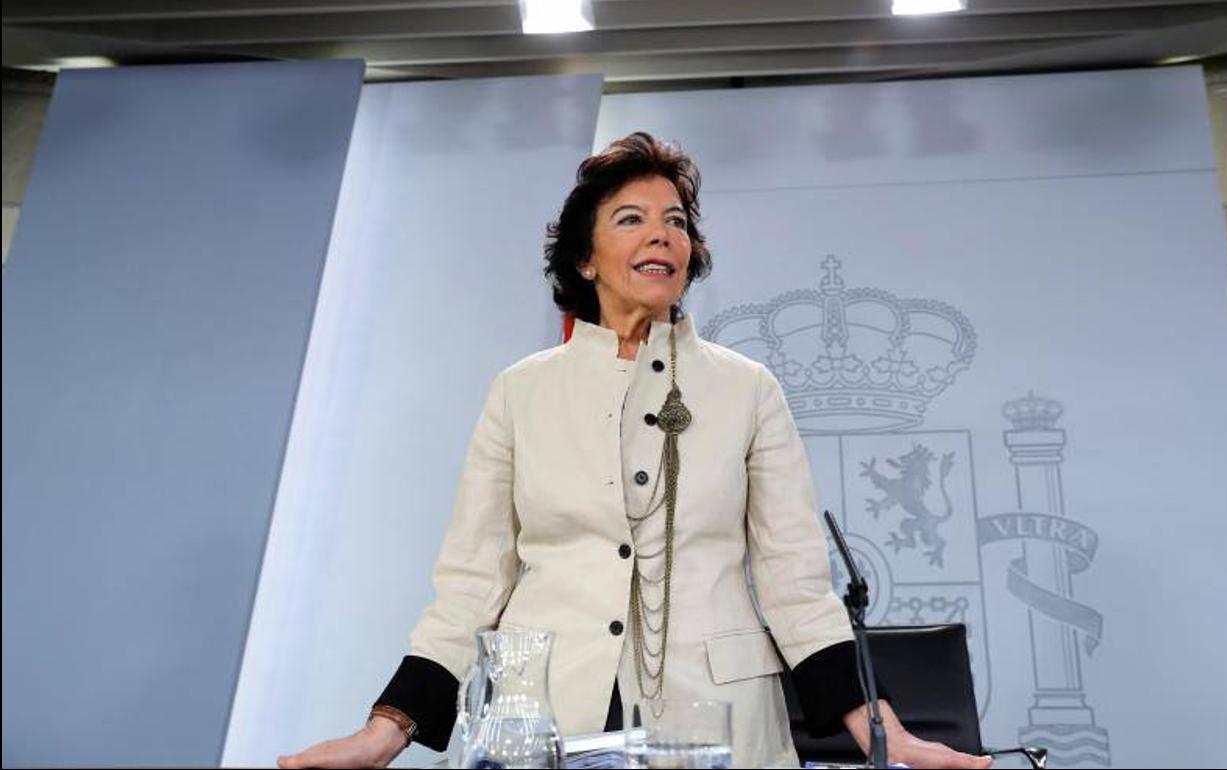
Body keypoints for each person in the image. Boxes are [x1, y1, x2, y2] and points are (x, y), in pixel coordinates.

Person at [278, 133, 992, 769]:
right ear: (586, 258)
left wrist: (883, 732)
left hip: (717, 721)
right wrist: (387, 730)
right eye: (633, 220)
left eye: (676, 223)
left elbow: (796, 585)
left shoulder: (748, 389)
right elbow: (471, 584)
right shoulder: (520, 392)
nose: (663, 236)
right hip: (546, 718)